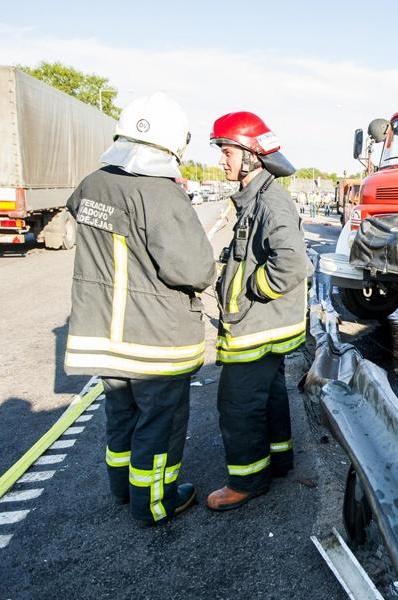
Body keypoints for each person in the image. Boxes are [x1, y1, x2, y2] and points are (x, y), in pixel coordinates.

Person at [64, 92, 216, 525]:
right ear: (171, 146)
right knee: (159, 425)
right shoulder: (159, 193)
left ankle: (122, 489)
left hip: (105, 337)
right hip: (155, 341)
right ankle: (152, 503)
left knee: (121, 416)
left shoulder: (93, 183)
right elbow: (194, 269)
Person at [207, 111, 312, 511]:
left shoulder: (270, 201)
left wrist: (252, 290)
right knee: (269, 396)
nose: (222, 160)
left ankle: (248, 480)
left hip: (256, 325)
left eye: (227, 151)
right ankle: (278, 461)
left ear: (251, 155)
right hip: (266, 326)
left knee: (238, 404)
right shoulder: (259, 196)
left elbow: (291, 262)